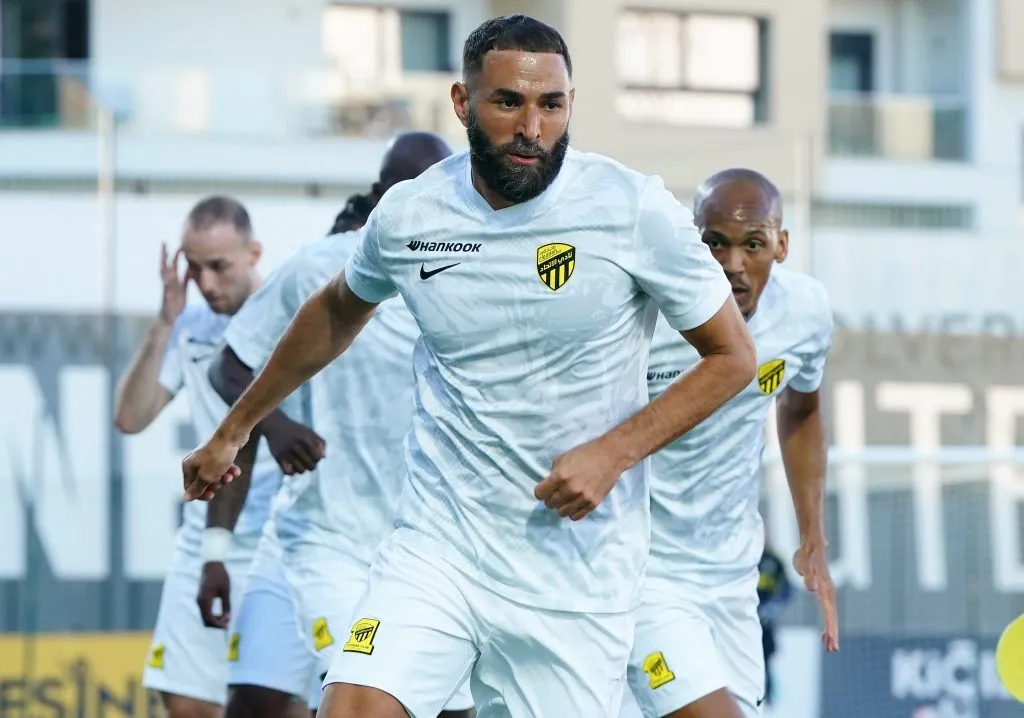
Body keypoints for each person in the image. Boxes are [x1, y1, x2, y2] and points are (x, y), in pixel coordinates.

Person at [182, 15, 757, 718]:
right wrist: (235, 429)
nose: (532, 127)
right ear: (463, 103)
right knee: (353, 704)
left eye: (551, 104)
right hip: (439, 548)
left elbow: (732, 357)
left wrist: (615, 451)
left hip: (575, 570)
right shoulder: (412, 214)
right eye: (508, 102)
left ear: (572, 104)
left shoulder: (630, 208)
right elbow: (336, 310)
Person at [198, 132, 472, 718]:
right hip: (330, 538)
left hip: (423, 544)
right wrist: (274, 427)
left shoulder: (465, 274)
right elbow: (231, 364)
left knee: (447, 709)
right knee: (347, 696)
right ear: (379, 195)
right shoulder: (321, 268)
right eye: (409, 192)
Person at [622, 168, 839, 718]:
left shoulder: (806, 313)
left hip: (732, 581)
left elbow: (801, 408)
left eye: (754, 244)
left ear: (782, 246)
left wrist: (813, 534)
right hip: (638, 573)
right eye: (714, 241)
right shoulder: (642, 315)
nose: (732, 264)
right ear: (692, 239)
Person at [114, 196, 287, 718]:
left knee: (273, 703)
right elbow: (131, 417)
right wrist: (163, 323)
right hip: (204, 540)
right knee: (186, 704)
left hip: (281, 543)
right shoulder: (189, 325)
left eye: (219, 266)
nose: (207, 283)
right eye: (194, 268)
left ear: (253, 252)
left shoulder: (292, 318)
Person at [757, 529, 794, 709]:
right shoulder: (743, 557)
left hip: (765, 623)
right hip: (742, 620)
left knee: (766, 659)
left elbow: (787, 589)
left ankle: (770, 701)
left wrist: (773, 607)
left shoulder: (775, 561)